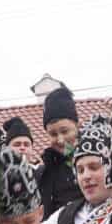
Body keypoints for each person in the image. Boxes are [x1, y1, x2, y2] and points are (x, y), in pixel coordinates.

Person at [36, 86, 82, 217]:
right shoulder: (43, 174)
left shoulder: (96, 163)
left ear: (77, 127)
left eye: (65, 131)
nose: (60, 140)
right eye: (53, 134)